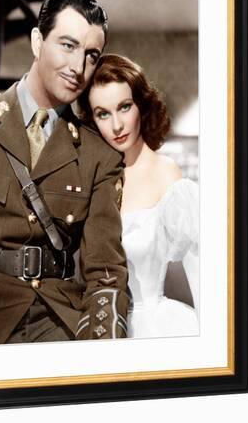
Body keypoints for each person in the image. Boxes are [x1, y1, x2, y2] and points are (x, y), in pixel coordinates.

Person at [0, 0, 129, 346]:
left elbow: (105, 272)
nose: (78, 67)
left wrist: (100, 349)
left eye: (90, 55)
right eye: (67, 45)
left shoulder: (99, 156)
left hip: (58, 323)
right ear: (37, 41)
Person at [80, 53, 199, 339]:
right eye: (103, 113)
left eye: (124, 107)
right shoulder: (89, 181)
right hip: (98, 331)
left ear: (141, 106)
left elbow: (203, 275)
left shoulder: (166, 174)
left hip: (157, 331)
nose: (117, 125)